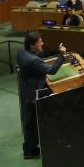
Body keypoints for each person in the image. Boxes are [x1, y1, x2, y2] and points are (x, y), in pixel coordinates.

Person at [17, 31, 68, 159]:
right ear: (32, 45)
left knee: (28, 122)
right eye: (40, 42)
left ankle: (30, 149)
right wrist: (61, 55)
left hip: (25, 90)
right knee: (32, 123)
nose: (43, 43)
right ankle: (30, 152)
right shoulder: (33, 60)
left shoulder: (22, 52)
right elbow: (52, 71)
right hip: (33, 94)